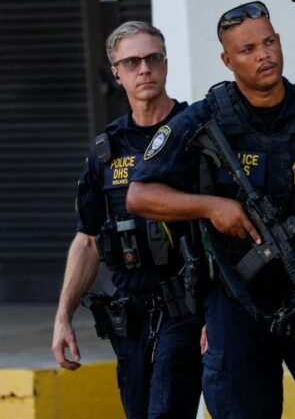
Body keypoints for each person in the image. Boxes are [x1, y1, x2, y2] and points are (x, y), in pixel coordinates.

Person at [126, 1, 295, 419]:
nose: (265, 55)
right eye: (248, 49)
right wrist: (211, 206)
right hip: (237, 303)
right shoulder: (206, 119)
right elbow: (139, 195)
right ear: (227, 60)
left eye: (270, 42)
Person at [51, 21, 203, 419]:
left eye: (153, 58)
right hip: (130, 319)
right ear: (116, 72)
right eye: (132, 61)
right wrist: (63, 317)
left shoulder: (197, 136)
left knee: (166, 411)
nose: (145, 69)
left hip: (187, 313)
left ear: (166, 64)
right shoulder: (106, 151)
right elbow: (87, 240)